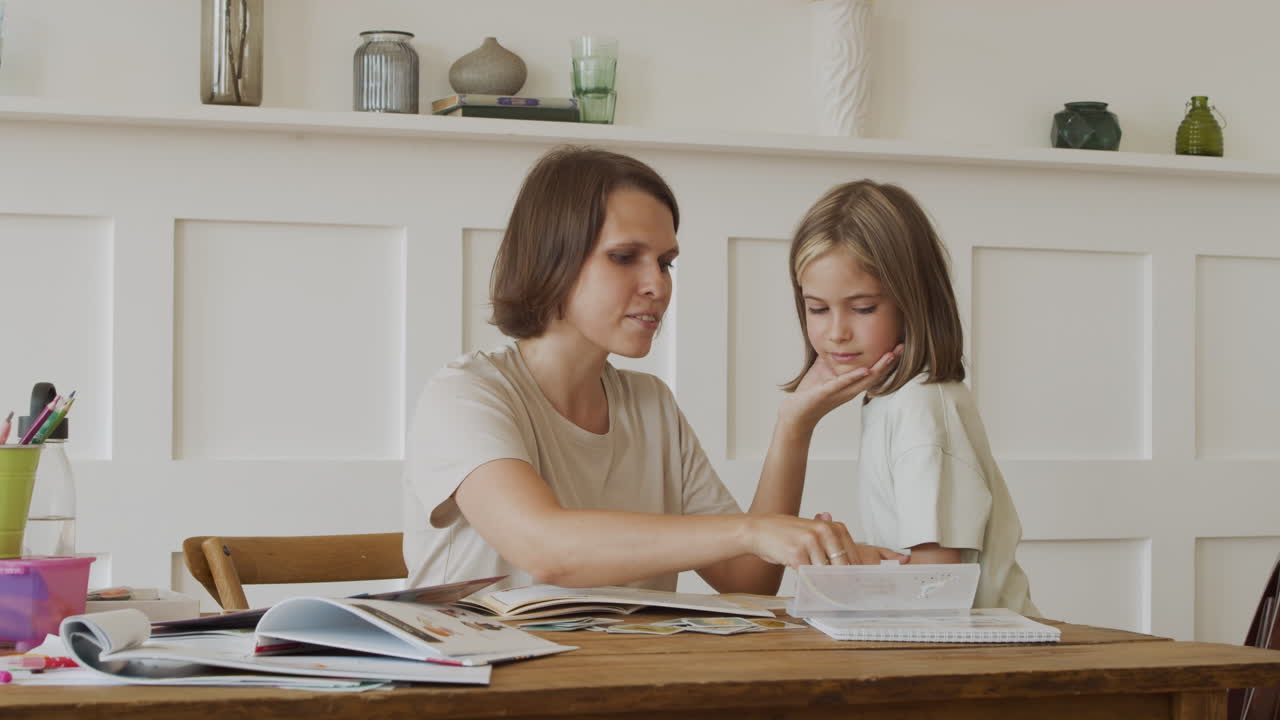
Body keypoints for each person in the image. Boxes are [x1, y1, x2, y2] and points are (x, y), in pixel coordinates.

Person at [402, 146, 904, 594]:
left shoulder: (651, 406)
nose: (657, 286)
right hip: (479, 670)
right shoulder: (465, 395)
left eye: (665, 263)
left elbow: (748, 580)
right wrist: (752, 530)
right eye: (625, 257)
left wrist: (795, 424)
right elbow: (544, 548)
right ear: (552, 260)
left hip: (622, 670)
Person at [781, 180, 1037, 613]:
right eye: (817, 308)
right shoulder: (892, 400)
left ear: (913, 300)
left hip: (981, 644)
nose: (836, 332)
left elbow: (937, 584)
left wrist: (854, 565)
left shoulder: (920, 408)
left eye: (863, 308)